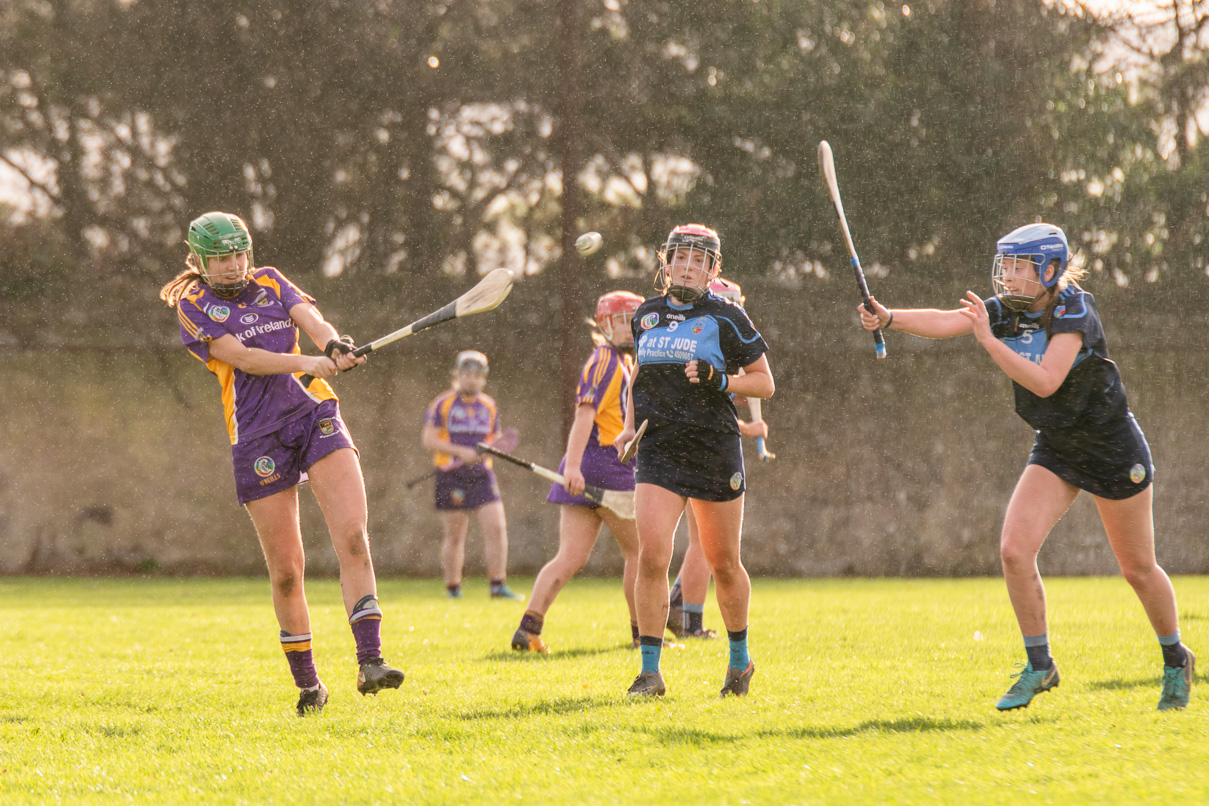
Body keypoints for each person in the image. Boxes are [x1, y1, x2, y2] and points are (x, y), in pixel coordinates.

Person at [858, 222, 1195, 711]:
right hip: (1058, 446)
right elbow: (949, 320)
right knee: (1015, 549)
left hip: (1111, 448)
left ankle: (1174, 658)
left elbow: (1046, 382)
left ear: (1050, 270)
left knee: (1137, 568)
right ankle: (1041, 666)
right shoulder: (1008, 311)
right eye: (1007, 269)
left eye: (1020, 269)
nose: (1009, 279)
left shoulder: (1074, 309)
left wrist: (989, 343)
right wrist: (890, 318)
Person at [160, 211, 404, 717]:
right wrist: (307, 362)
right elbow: (243, 358)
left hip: (313, 411)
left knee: (354, 536)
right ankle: (310, 684)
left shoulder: (270, 280)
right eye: (220, 258)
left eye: (238, 255)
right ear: (200, 261)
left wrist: (331, 345)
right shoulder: (193, 303)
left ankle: (371, 660)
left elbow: (312, 321)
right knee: (288, 571)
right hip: (256, 433)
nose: (232, 267)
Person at [616, 224, 774, 698]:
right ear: (665, 262)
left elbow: (764, 383)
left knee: (724, 565)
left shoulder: (727, 317)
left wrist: (718, 379)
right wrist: (629, 425)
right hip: (660, 449)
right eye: (680, 257)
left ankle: (740, 661)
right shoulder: (646, 314)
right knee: (652, 557)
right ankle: (649, 672)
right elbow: (638, 374)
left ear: (711, 269)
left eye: (698, 260)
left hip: (713, 448)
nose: (687, 266)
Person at [511, 291, 644, 654]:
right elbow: (584, 415)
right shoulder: (605, 360)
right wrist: (571, 466)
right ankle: (642, 636)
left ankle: (529, 628)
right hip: (607, 468)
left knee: (570, 556)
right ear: (606, 323)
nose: (634, 326)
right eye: (626, 319)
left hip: (589, 469)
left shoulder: (622, 361)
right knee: (641, 553)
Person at [666, 278, 769, 641]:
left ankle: (680, 604)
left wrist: (743, 411)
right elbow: (699, 409)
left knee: (705, 544)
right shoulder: (702, 338)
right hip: (694, 451)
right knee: (702, 543)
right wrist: (747, 428)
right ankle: (687, 616)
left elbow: (720, 395)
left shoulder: (714, 335)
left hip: (695, 449)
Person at [421, 350, 523, 601]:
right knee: (455, 535)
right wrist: (460, 452)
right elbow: (428, 439)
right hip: (451, 476)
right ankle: (453, 589)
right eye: (466, 374)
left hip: (482, 474)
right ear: (457, 375)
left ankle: (498, 586)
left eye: (476, 375)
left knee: (497, 527)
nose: (471, 380)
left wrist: (493, 447)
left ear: (483, 378)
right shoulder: (443, 404)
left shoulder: (488, 406)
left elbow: (492, 439)